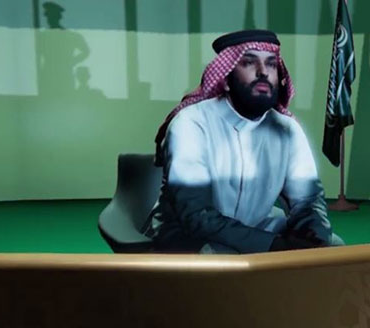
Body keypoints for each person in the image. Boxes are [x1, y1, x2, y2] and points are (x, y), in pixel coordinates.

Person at [145, 29, 342, 254]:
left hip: (254, 224)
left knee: (332, 246)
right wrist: (274, 245)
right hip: (185, 231)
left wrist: (315, 238)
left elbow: (307, 200)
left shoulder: (287, 129)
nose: (263, 72)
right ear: (225, 80)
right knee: (225, 261)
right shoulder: (191, 123)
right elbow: (197, 215)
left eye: (271, 64)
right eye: (249, 63)